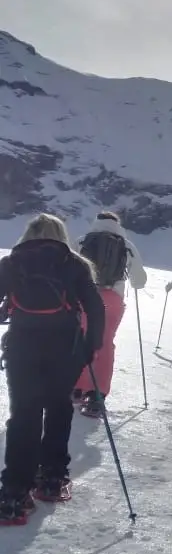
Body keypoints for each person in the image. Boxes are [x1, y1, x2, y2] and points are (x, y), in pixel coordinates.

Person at [0, 214, 105, 522]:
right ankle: (52, 478)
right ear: (61, 235)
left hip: (21, 347)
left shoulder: (11, 262)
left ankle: (15, 493)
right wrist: (90, 347)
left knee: (24, 414)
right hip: (65, 349)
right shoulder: (74, 263)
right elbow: (96, 308)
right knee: (59, 407)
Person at [73, 211, 147, 418]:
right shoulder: (126, 245)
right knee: (105, 343)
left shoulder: (82, 241)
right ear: (117, 224)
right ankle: (97, 395)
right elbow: (139, 281)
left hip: (84, 297)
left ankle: (76, 387)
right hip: (112, 300)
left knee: (79, 339)